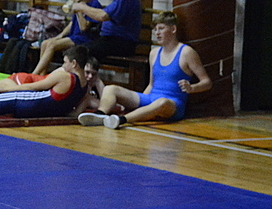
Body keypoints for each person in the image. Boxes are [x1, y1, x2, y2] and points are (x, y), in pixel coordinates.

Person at [77, 11, 211, 129]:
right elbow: (151, 85)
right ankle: (100, 115)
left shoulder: (186, 52)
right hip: (151, 98)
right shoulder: (154, 53)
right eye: (155, 30)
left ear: (173, 29)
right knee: (110, 89)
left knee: (162, 102)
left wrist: (192, 88)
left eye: (161, 29)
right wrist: (139, 103)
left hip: (172, 104)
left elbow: (207, 82)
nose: (157, 33)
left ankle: (121, 119)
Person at [31, 0, 102, 76]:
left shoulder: (94, 4)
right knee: (45, 43)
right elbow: (71, 24)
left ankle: (34, 74)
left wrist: (79, 10)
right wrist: (60, 36)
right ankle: (41, 75)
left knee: (52, 45)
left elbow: (83, 27)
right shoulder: (79, 3)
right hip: (73, 36)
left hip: (84, 38)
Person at [69, 0, 141, 60]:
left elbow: (102, 16)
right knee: (76, 51)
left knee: (79, 52)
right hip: (108, 40)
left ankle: (85, 72)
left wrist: (82, 7)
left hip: (122, 42)